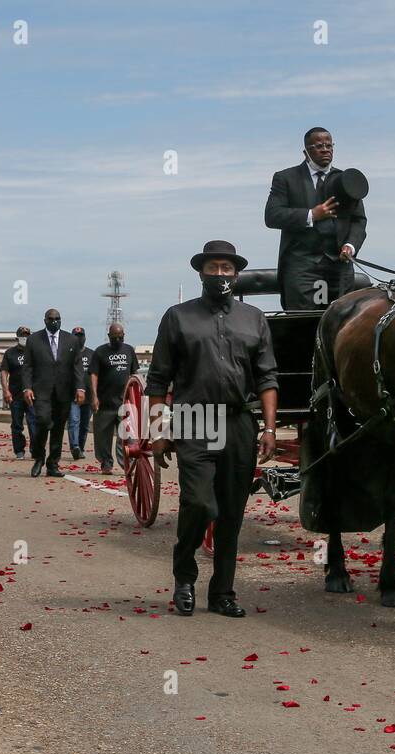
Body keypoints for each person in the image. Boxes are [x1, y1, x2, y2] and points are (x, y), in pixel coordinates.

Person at [145, 240, 278, 618]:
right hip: (195, 420)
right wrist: (158, 430)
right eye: (213, 268)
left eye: (226, 268)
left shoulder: (254, 319)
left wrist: (268, 428)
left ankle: (222, 593)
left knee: (232, 514)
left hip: (238, 421)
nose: (220, 274)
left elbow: (268, 377)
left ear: (236, 274)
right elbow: (158, 380)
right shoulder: (178, 317)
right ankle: (185, 577)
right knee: (200, 503)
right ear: (201, 272)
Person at [264, 126, 367, 311]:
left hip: (339, 266)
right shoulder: (286, 178)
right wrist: (312, 214)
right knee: (304, 324)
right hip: (302, 267)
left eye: (329, 145)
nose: (325, 149)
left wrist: (350, 246)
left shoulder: (346, 180)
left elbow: (359, 220)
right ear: (306, 152)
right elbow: (272, 216)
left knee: (341, 322)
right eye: (319, 146)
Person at [21, 309, 87, 478]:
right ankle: (39, 457)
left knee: (58, 428)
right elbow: (27, 366)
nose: (54, 321)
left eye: (57, 319)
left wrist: (80, 388)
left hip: (64, 392)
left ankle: (53, 464)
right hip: (41, 391)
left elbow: (77, 367)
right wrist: (27, 387)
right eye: (51, 319)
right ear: (45, 320)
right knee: (42, 422)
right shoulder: (34, 340)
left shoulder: (71, 340)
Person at [89, 322, 138, 475]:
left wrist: (133, 395)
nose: (118, 340)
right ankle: (106, 462)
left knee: (126, 435)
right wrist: (94, 396)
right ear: (109, 336)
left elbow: (134, 374)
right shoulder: (100, 352)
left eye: (120, 337)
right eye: (114, 337)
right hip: (104, 402)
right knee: (103, 437)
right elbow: (93, 374)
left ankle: (127, 464)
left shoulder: (129, 350)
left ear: (124, 336)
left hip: (124, 402)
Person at [0, 325, 37, 459]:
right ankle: (19, 450)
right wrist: (5, 390)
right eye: (22, 336)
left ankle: (35, 449)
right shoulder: (10, 353)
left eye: (27, 336)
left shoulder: (35, 353)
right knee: (17, 424)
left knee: (34, 423)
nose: (25, 338)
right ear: (17, 338)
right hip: (15, 395)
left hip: (32, 395)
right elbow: (4, 372)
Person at [68, 326, 94, 460]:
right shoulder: (67, 354)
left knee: (84, 424)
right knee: (73, 420)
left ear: (85, 337)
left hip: (89, 396)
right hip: (72, 396)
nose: (79, 339)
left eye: (81, 336)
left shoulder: (92, 354)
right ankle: (75, 446)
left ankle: (81, 448)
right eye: (76, 337)